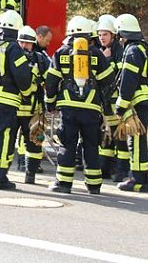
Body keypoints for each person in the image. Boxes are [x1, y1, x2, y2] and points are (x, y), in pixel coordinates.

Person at [45, 16, 114, 194]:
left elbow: (51, 81)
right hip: (91, 109)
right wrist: (102, 103)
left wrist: (50, 103)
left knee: (68, 144)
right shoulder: (97, 54)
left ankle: (64, 183)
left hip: (68, 108)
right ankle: (94, 185)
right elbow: (108, 81)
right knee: (91, 144)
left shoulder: (61, 53)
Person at [0, 10, 33, 190]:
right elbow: (23, 76)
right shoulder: (13, 48)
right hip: (6, 100)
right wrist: (27, 91)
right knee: (2, 137)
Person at [114, 13, 148, 193]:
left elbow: (128, 80)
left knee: (137, 141)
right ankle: (140, 178)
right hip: (145, 99)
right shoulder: (142, 47)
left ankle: (138, 181)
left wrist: (121, 104)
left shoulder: (132, 51)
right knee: (138, 139)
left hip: (138, 101)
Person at [12, 25, 52, 184]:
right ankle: (17, 167)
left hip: (35, 110)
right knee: (10, 142)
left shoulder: (41, 59)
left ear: (33, 43)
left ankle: (31, 174)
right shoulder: (12, 58)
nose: (24, 46)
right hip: (14, 109)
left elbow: (51, 80)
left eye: (27, 43)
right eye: (21, 42)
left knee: (36, 142)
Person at [95, 14, 128, 182]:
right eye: (100, 35)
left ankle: (121, 171)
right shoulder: (99, 50)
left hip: (115, 101)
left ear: (113, 35)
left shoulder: (118, 51)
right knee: (105, 135)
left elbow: (118, 75)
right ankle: (104, 168)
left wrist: (107, 59)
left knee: (118, 134)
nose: (102, 38)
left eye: (105, 35)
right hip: (104, 100)